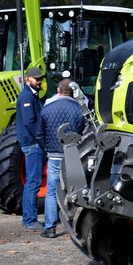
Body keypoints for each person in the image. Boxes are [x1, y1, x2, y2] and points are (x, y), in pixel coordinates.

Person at [37, 78, 85, 238]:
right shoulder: (79, 109)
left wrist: (47, 148)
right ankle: (76, 227)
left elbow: (39, 133)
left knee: (51, 191)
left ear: (58, 90)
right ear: (73, 92)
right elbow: (84, 133)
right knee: (75, 191)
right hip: (73, 155)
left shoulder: (47, 109)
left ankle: (50, 228)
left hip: (54, 155)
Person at [16, 66, 46, 230]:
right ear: (28, 79)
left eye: (40, 78)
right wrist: (41, 139)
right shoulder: (27, 97)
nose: (39, 81)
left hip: (32, 143)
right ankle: (29, 219)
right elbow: (30, 122)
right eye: (36, 79)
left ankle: (29, 218)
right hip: (33, 144)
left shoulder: (32, 96)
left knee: (32, 182)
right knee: (33, 182)